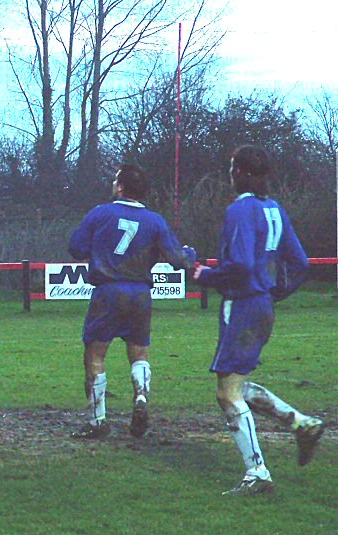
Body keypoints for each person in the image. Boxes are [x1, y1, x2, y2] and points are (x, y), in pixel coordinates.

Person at [193, 144, 324, 496]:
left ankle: (257, 472)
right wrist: (276, 293)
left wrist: (206, 275)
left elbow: (240, 265)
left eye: (232, 168)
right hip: (262, 305)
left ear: (241, 173)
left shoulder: (240, 210)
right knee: (235, 384)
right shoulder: (275, 209)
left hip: (242, 305)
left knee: (226, 393)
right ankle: (302, 424)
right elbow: (301, 264)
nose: (229, 174)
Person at [68, 163, 196, 440]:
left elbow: (76, 248)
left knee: (95, 355)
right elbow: (178, 260)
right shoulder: (155, 221)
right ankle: (140, 398)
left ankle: (97, 420)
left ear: (121, 187)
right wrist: (190, 253)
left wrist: (98, 244)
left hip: (108, 292)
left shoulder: (101, 213)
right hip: (140, 294)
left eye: (116, 181)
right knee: (139, 353)